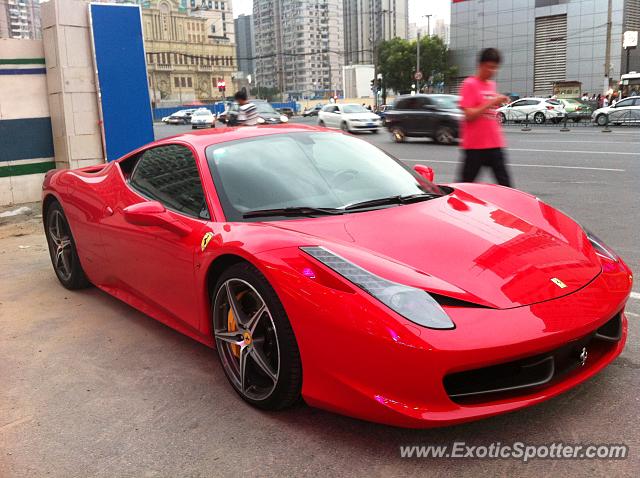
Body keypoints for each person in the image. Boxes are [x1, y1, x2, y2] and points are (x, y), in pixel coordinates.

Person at [457, 48, 512, 187]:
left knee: (507, 187)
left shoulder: (491, 85)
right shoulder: (469, 84)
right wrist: (492, 102)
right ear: (480, 65)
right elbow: (469, 115)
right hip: (475, 147)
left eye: (496, 68)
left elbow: (489, 113)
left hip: (495, 144)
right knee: (464, 188)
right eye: (490, 67)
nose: (493, 71)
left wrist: (499, 101)